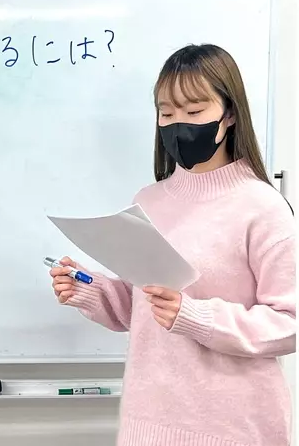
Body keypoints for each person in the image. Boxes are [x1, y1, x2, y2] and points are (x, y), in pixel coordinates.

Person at [50, 44, 296, 446]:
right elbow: (145, 308)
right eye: (166, 113)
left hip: (234, 430)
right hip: (148, 422)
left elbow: (289, 324)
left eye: (194, 111)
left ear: (230, 114)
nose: (178, 124)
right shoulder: (149, 201)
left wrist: (196, 316)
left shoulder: (263, 207)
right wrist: (90, 289)